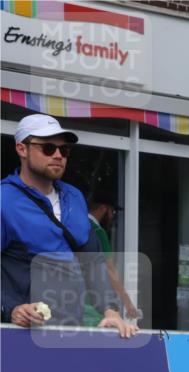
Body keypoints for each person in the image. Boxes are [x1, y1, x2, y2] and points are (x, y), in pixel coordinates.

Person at [1, 114, 136, 337]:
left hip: (71, 329)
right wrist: (11, 308)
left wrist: (110, 311)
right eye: (48, 148)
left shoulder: (74, 197)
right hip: (19, 334)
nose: (58, 155)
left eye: (64, 150)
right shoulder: (4, 199)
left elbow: (93, 262)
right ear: (22, 149)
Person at [84, 194, 139, 326]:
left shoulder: (76, 227)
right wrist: (128, 304)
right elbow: (109, 270)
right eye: (112, 212)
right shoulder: (97, 231)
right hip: (93, 305)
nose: (112, 217)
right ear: (103, 209)